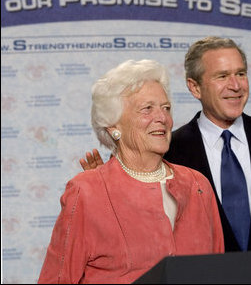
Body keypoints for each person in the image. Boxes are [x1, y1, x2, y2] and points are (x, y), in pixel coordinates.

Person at [81, 37, 251, 252]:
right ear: (194, 87)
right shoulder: (169, 149)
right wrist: (107, 194)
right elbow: (142, 238)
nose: (235, 86)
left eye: (241, 74)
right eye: (222, 76)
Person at [39, 59, 224, 284]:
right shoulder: (86, 192)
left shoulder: (198, 185)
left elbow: (217, 273)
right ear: (113, 126)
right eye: (147, 109)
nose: (162, 118)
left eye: (165, 108)